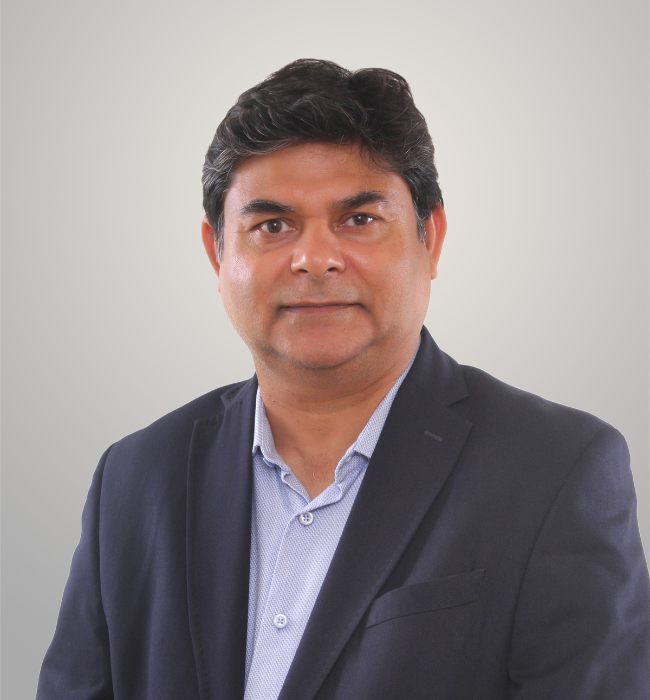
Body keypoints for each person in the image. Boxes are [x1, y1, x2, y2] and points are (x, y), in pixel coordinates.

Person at [36, 59, 650, 700]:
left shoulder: (555, 471)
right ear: (217, 253)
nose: (314, 259)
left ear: (432, 238)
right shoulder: (137, 479)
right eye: (273, 226)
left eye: (358, 220)